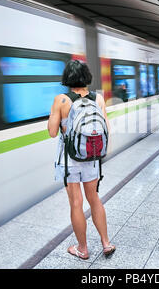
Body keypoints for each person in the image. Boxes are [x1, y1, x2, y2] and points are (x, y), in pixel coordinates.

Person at [48, 60, 116, 259]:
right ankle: (106, 242)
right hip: (92, 155)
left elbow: (53, 132)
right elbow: (106, 129)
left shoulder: (61, 100)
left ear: (67, 78)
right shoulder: (99, 99)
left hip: (69, 159)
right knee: (94, 199)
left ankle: (83, 248)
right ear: (87, 76)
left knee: (76, 203)